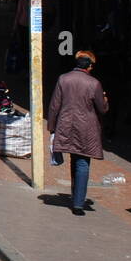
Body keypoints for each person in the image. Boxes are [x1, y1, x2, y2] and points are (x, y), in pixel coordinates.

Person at [47, 51, 109, 216]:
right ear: (89, 66)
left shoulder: (63, 79)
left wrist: (52, 127)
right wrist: (105, 100)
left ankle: (76, 196)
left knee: (75, 159)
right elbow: (102, 109)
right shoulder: (94, 83)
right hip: (86, 127)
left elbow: (54, 105)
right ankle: (78, 203)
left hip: (66, 124)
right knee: (82, 162)